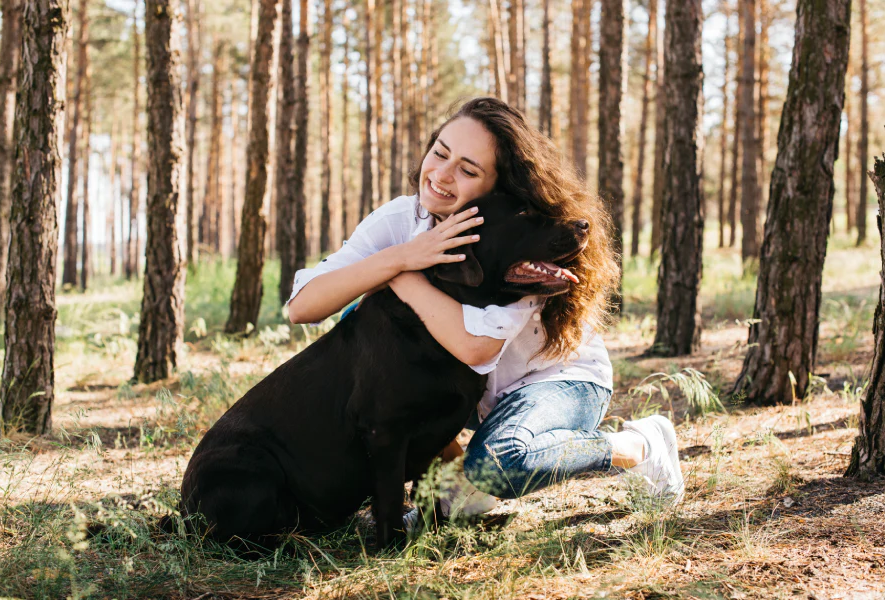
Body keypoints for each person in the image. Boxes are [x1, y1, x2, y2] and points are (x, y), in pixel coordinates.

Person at [287, 97, 684, 524]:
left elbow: (475, 348)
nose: (441, 175)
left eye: (468, 169)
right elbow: (303, 306)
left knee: (500, 463)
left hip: (557, 383)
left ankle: (639, 446)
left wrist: (400, 271)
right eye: (440, 152)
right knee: (363, 325)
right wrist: (402, 254)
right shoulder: (405, 220)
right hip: (473, 403)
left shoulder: (519, 242)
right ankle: (459, 489)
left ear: (498, 187)